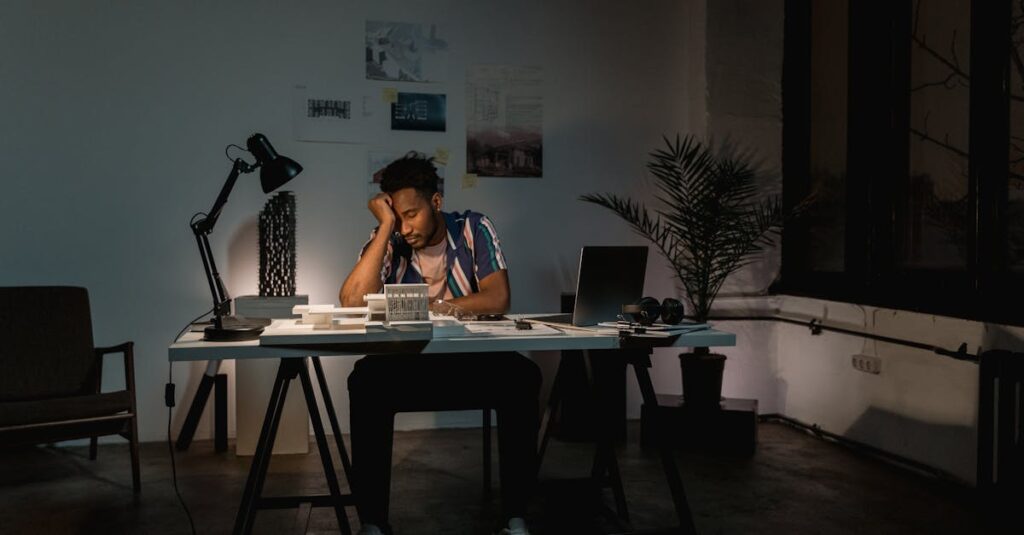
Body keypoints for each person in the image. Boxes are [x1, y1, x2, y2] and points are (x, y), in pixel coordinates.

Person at [340, 152, 540, 535]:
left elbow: (497, 298)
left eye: (411, 214)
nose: (405, 227)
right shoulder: (390, 237)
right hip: (406, 363)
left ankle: (516, 516)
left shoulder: (473, 228)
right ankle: (373, 523)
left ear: (436, 201)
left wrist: (433, 308)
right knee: (364, 382)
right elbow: (351, 302)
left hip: (472, 363)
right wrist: (384, 227)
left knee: (523, 377)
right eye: (396, 217)